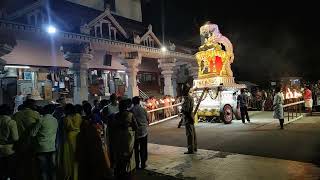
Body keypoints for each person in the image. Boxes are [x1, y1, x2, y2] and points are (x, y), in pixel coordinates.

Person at [77, 103, 112, 180]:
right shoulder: (94, 117)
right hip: (97, 143)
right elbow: (101, 127)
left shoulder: (83, 120)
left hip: (88, 146)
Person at [13, 99, 41, 180]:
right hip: (31, 143)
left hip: (19, 143)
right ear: (32, 105)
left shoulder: (16, 115)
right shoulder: (36, 114)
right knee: (31, 164)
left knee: (20, 164)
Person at [112, 99, 138, 180]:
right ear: (126, 106)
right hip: (128, 136)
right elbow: (135, 127)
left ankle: (120, 172)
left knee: (120, 154)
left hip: (118, 136)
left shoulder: (116, 115)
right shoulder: (130, 114)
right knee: (129, 153)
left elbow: (113, 126)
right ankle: (128, 171)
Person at [31, 104, 58, 180]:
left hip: (41, 148)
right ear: (53, 111)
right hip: (52, 147)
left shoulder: (41, 120)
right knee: (52, 169)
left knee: (43, 169)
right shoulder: (55, 120)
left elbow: (32, 133)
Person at [61, 104, 82, 180]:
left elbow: (68, 127)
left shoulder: (67, 118)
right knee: (76, 158)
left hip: (70, 138)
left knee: (69, 159)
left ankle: (70, 175)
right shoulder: (79, 116)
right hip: (78, 137)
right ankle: (76, 176)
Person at [0, 104, 19, 180]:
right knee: (10, 171)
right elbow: (15, 138)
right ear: (9, 112)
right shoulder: (11, 122)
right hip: (9, 150)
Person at [132, 96, 149, 169]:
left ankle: (137, 163)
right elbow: (148, 119)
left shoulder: (131, 110)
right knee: (143, 147)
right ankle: (143, 163)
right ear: (139, 102)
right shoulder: (143, 109)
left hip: (135, 132)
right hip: (144, 130)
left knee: (136, 148)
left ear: (133, 102)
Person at [181, 85, 197, 154]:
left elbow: (186, 110)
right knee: (193, 133)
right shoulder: (190, 97)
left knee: (189, 134)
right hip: (190, 116)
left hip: (188, 117)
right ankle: (194, 147)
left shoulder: (187, 98)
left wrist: (182, 110)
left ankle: (191, 150)